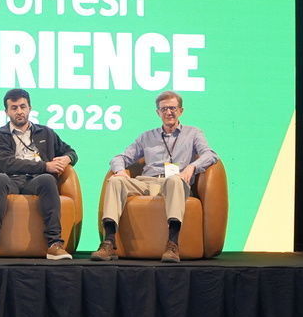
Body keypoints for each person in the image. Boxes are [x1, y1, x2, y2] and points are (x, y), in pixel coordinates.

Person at [93, 90, 218, 263]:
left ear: (181, 111)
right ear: (158, 112)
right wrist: (120, 170)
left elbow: (210, 155)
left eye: (173, 108)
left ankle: (172, 245)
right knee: (115, 181)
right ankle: (108, 243)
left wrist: (192, 166)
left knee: (174, 180)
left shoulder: (193, 133)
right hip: (147, 182)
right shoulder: (147, 136)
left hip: (175, 183)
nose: (169, 112)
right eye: (164, 109)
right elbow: (119, 158)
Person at [0, 89, 76, 260]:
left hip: (36, 181)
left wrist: (67, 159)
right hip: (10, 180)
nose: (19, 111)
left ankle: (55, 244)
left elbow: (71, 152)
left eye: (23, 106)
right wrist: (45, 166)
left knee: (48, 179)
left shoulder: (46, 133)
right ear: (6, 112)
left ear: (30, 108)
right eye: (14, 108)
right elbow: (7, 164)